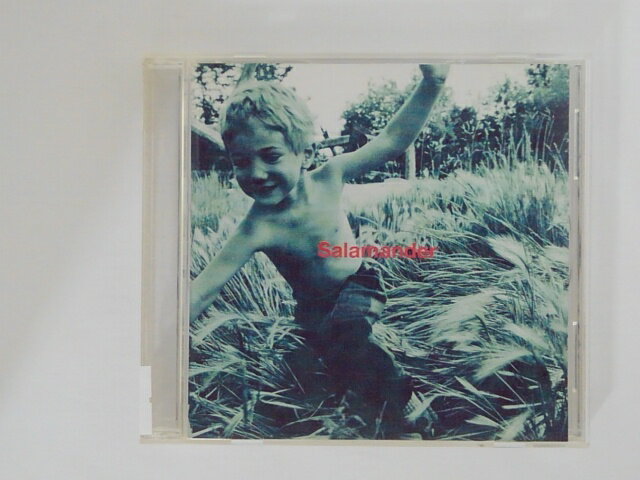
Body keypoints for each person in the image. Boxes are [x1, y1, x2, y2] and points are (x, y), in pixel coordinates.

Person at [190, 64, 448, 437]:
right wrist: (156, 336)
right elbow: (204, 289)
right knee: (330, 372)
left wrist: (432, 83)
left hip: (357, 285)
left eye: (271, 156)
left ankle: (406, 400)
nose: (256, 173)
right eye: (241, 162)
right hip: (312, 309)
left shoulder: (330, 177)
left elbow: (392, 141)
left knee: (348, 330)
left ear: (305, 153)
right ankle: (368, 417)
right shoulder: (255, 227)